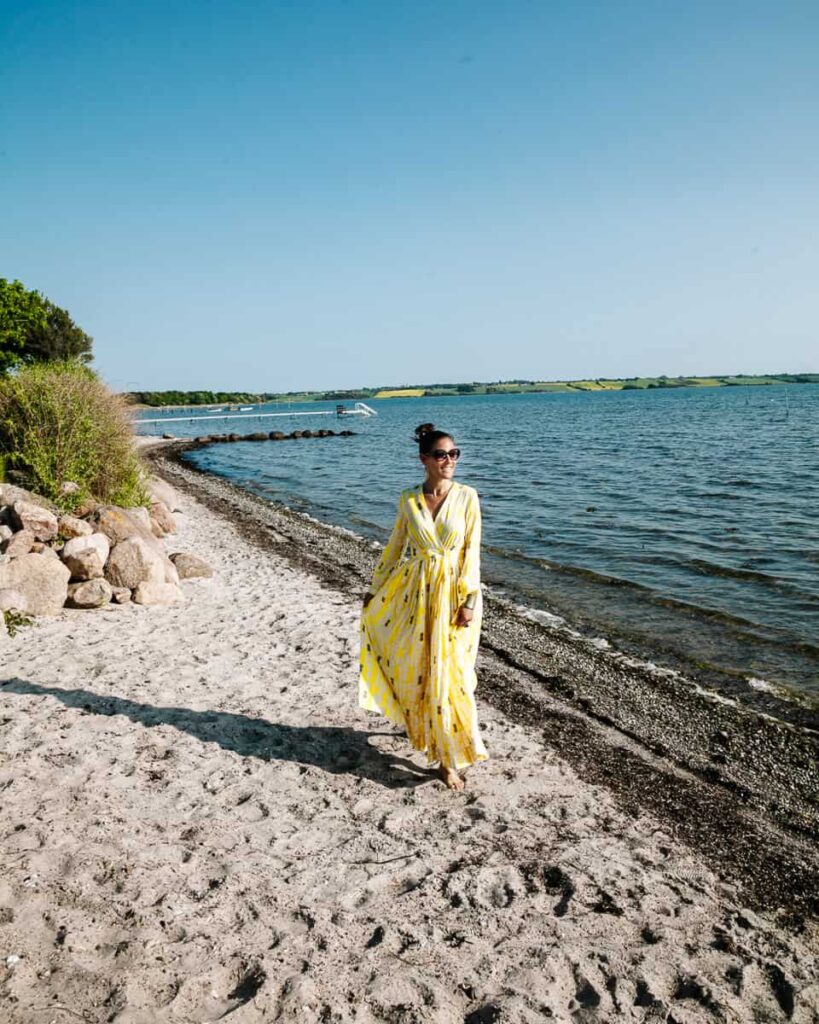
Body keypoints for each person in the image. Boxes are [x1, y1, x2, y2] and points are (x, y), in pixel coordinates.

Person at [359, 423, 488, 790]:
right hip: (414, 594)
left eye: (454, 454)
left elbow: (471, 554)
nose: (449, 460)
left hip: (453, 596)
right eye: (441, 455)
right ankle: (437, 748)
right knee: (420, 669)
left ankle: (450, 755)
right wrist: (374, 589)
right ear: (424, 460)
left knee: (455, 676)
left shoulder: (467, 497)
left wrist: (469, 601)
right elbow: (395, 548)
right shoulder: (408, 499)